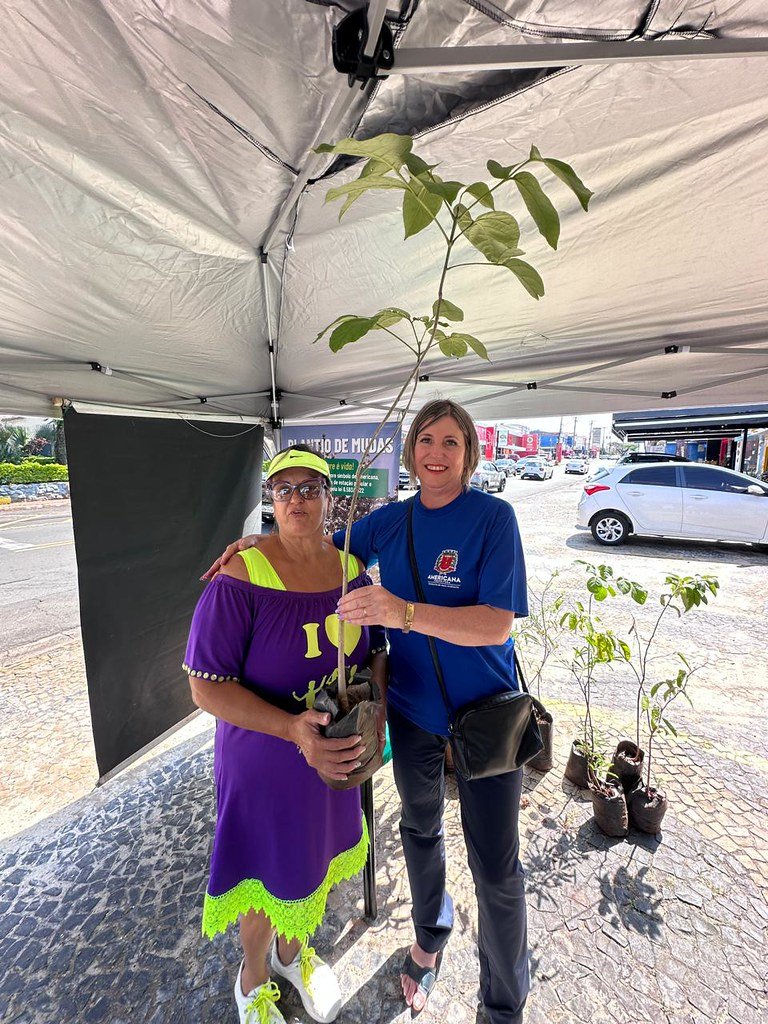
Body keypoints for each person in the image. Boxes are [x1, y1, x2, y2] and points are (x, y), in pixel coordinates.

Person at [206, 400, 530, 1023]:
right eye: (426, 440)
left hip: (485, 715)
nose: (437, 452)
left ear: (469, 452)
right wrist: (257, 541)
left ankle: (503, 1004)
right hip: (410, 714)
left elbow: (495, 625)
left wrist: (402, 613)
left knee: (495, 866)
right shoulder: (388, 522)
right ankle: (430, 938)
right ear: (409, 452)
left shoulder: (495, 518)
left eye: (451, 441)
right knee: (420, 830)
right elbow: (312, 545)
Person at [186, 445, 387, 1024]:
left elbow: (375, 652)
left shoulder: (351, 571)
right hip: (265, 759)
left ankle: (293, 956)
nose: (297, 499)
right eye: (285, 489)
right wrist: (289, 727)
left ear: (330, 497)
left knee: (313, 861)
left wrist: (377, 713)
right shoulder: (241, 575)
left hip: (332, 755)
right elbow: (206, 686)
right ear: (270, 500)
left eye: (310, 488)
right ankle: (251, 981)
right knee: (262, 874)